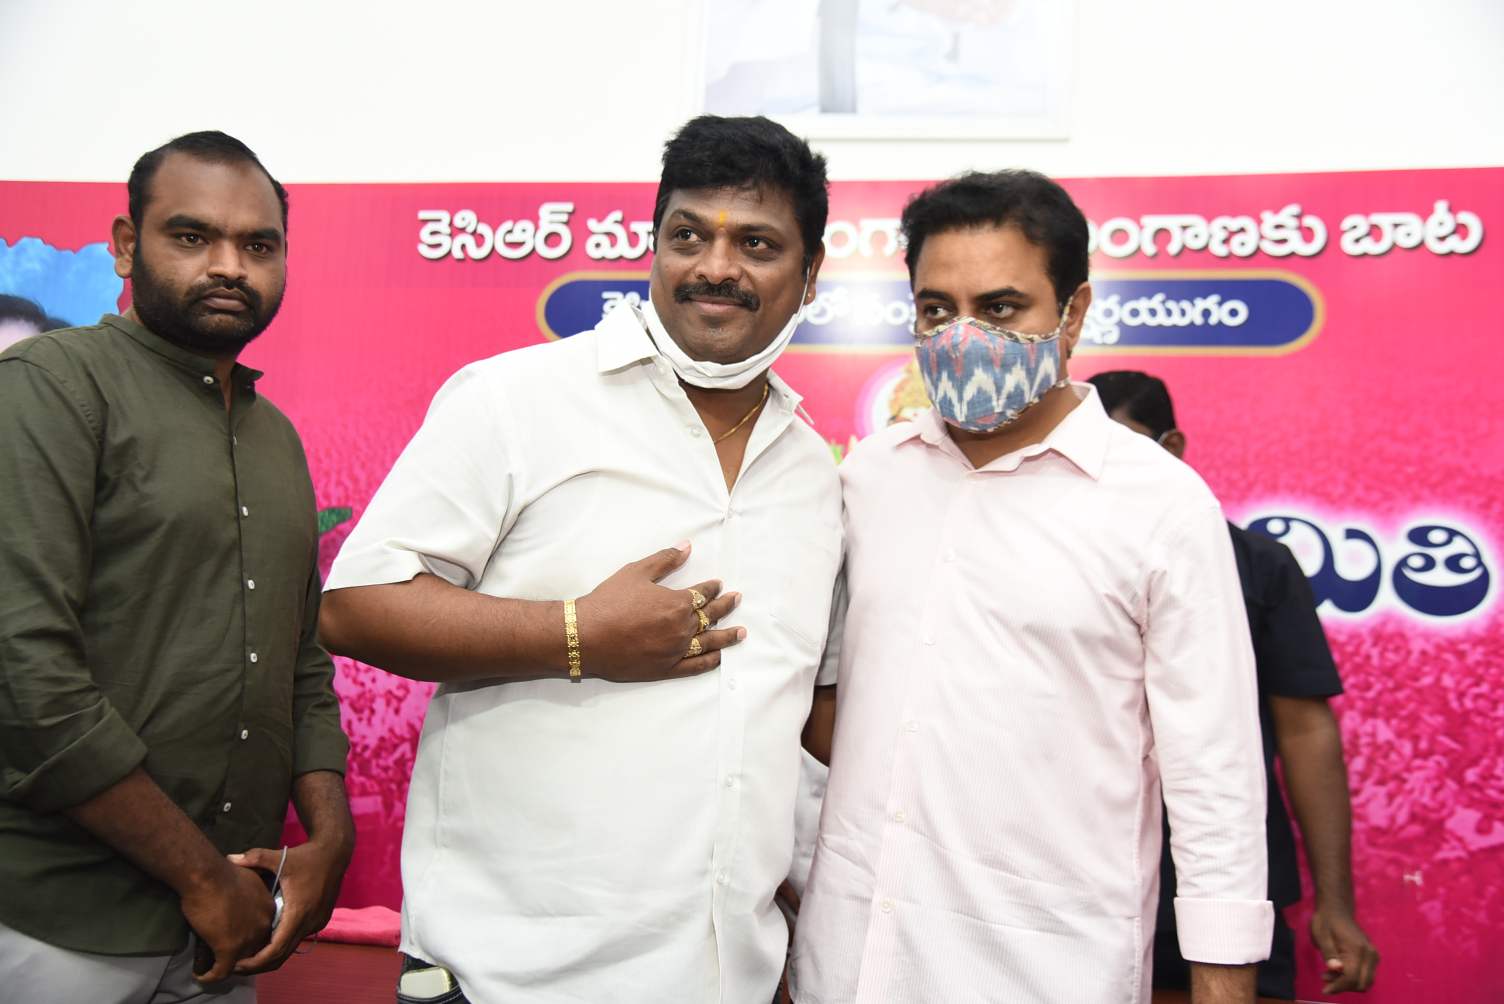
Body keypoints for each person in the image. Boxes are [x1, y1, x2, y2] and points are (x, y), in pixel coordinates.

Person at [318, 115, 843, 1004]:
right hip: (510, 980)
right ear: (654, 245)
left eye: (756, 243)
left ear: (811, 271)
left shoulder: (813, 473)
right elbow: (355, 605)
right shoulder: (516, 400)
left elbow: (792, 719)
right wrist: (577, 634)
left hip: (730, 979)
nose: (715, 266)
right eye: (688, 236)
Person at [792, 170, 1272, 1004]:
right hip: (849, 963)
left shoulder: (1160, 505)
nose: (963, 337)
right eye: (937, 309)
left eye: (1001, 307)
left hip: (1047, 969)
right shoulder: (869, 478)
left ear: (1073, 314)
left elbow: (1216, 775)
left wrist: (1223, 981)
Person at [0, 131, 353, 1002]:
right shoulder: (49, 386)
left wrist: (328, 839)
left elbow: (301, 659)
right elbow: (25, 668)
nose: (229, 265)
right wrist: (201, 876)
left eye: (258, 245)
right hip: (63, 917)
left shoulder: (275, 438)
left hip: (226, 927)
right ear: (126, 246)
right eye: (192, 236)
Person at [1089, 369, 1380, 998]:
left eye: (1124, 448)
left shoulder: (1257, 565)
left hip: (1226, 884)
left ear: (1172, 448)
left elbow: (1306, 734)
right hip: (1082, 887)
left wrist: (1336, 903)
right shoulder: (1048, 570)